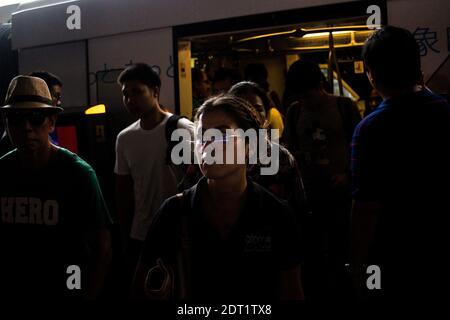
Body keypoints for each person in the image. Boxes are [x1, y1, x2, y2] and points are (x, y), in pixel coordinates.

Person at [132, 94, 304, 301]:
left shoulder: (275, 214)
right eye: (202, 136)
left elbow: (291, 291)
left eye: (223, 135)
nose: (209, 145)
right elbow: (140, 289)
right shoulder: (174, 212)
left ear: (251, 146)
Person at [350, 26, 450, 300]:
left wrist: (359, 269)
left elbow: (366, 209)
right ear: (417, 65)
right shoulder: (445, 111)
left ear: (371, 74)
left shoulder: (369, 128)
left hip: (397, 254)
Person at [0, 75, 112, 301]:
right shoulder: (2, 171)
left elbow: (102, 247)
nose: (26, 128)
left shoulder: (78, 174)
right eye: (16, 119)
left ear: (51, 122)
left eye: (35, 118)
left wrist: (85, 296)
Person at [284, 60, 361, 299]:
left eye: (308, 93)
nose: (306, 100)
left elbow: (359, 147)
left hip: (341, 195)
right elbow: (289, 149)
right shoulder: (295, 111)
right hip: (308, 197)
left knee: (342, 249)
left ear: (320, 84)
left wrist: (348, 174)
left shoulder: (344, 106)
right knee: (311, 253)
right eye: (301, 95)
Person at [114, 63, 194, 291]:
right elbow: (123, 190)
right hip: (141, 234)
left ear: (155, 91)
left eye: (137, 92)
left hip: (178, 232)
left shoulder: (181, 129)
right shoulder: (125, 138)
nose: (130, 99)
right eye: (125, 94)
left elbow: (202, 181)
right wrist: (125, 235)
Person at [229, 81, 307, 214]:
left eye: (258, 109)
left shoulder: (281, 156)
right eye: (242, 109)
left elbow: (298, 206)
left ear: (266, 115)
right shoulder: (222, 155)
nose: (251, 114)